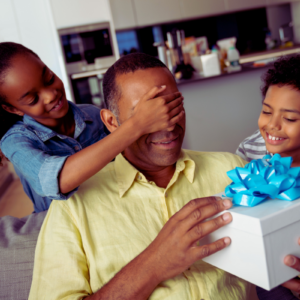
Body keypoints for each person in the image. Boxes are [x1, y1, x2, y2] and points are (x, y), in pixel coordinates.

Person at [29, 53, 259, 300]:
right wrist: (153, 264)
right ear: (111, 122)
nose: (168, 125)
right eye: (147, 115)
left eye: (173, 106)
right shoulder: (73, 207)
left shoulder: (232, 170)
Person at [0, 42, 184, 212]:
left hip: (110, 212)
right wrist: (137, 123)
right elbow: (57, 181)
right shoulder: (14, 142)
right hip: (60, 228)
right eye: (33, 99)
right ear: (12, 108)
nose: (50, 95)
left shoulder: (92, 115)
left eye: (49, 79)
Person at [236, 55, 300, 298]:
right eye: (266, 111)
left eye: (290, 118)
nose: (272, 126)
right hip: (274, 260)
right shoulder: (250, 151)